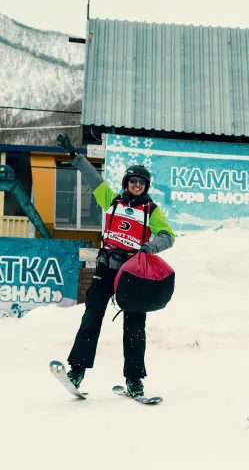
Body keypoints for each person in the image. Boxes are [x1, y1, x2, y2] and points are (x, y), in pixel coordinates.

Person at [56, 134, 176, 398]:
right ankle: (77, 370)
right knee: (91, 317)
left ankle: (135, 380)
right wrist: (74, 155)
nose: (136, 185)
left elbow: (168, 236)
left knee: (135, 326)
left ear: (146, 186)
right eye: (133, 181)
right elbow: (92, 178)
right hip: (106, 268)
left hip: (133, 274)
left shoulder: (151, 211)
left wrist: (148, 248)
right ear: (126, 183)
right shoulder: (111, 200)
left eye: (141, 182)